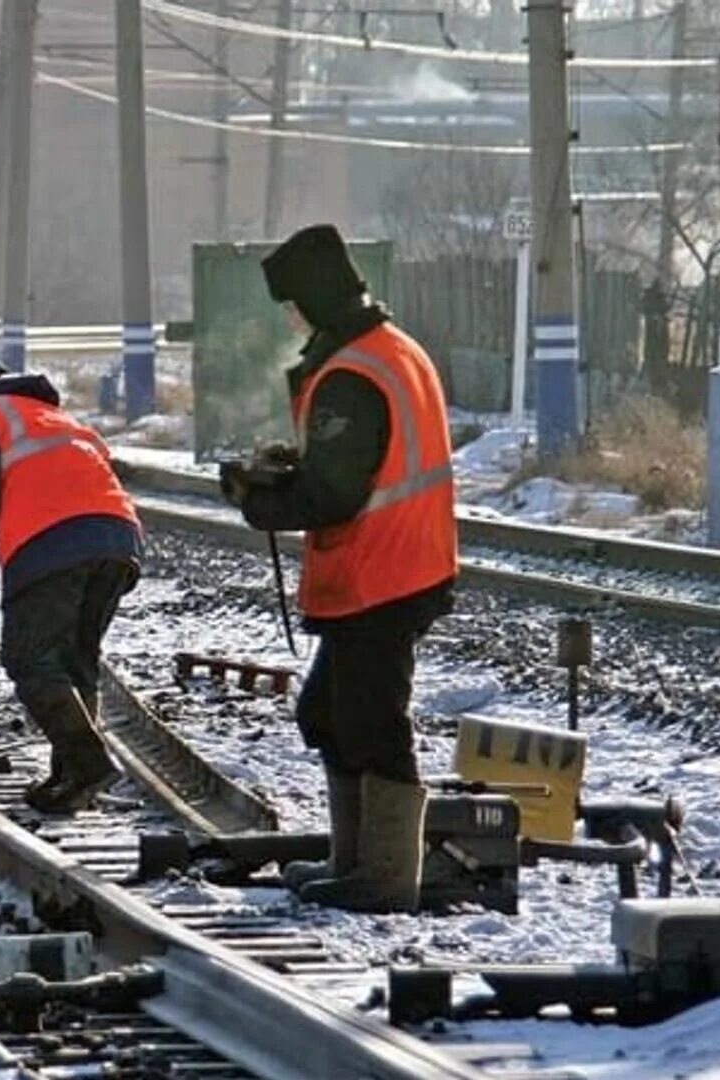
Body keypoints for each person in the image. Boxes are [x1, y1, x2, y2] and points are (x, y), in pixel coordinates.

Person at [221, 223, 458, 913]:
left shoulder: (352, 372)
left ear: (315, 298)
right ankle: (353, 861)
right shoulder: (390, 350)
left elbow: (335, 493)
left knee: (369, 721)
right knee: (328, 713)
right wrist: (293, 469)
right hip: (402, 560)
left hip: (381, 570)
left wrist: (257, 496)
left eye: (292, 303)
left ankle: (383, 879)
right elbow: (361, 464)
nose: (290, 318)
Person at [0, 364, 144, 812]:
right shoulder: (56, 418)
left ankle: (89, 762)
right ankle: (70, 778)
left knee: (29, 659)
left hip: (50, 540)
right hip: (118, 540)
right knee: (75, 661)